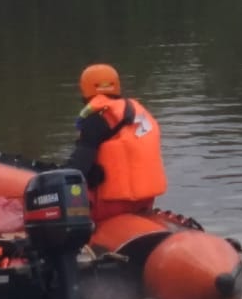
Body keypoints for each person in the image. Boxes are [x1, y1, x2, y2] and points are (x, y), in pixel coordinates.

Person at [64, 63, 167, 221]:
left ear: (85, 90)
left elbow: (77, 168)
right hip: (145, 200)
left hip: (113, 205)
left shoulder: (97, 118)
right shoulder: (137, 112)